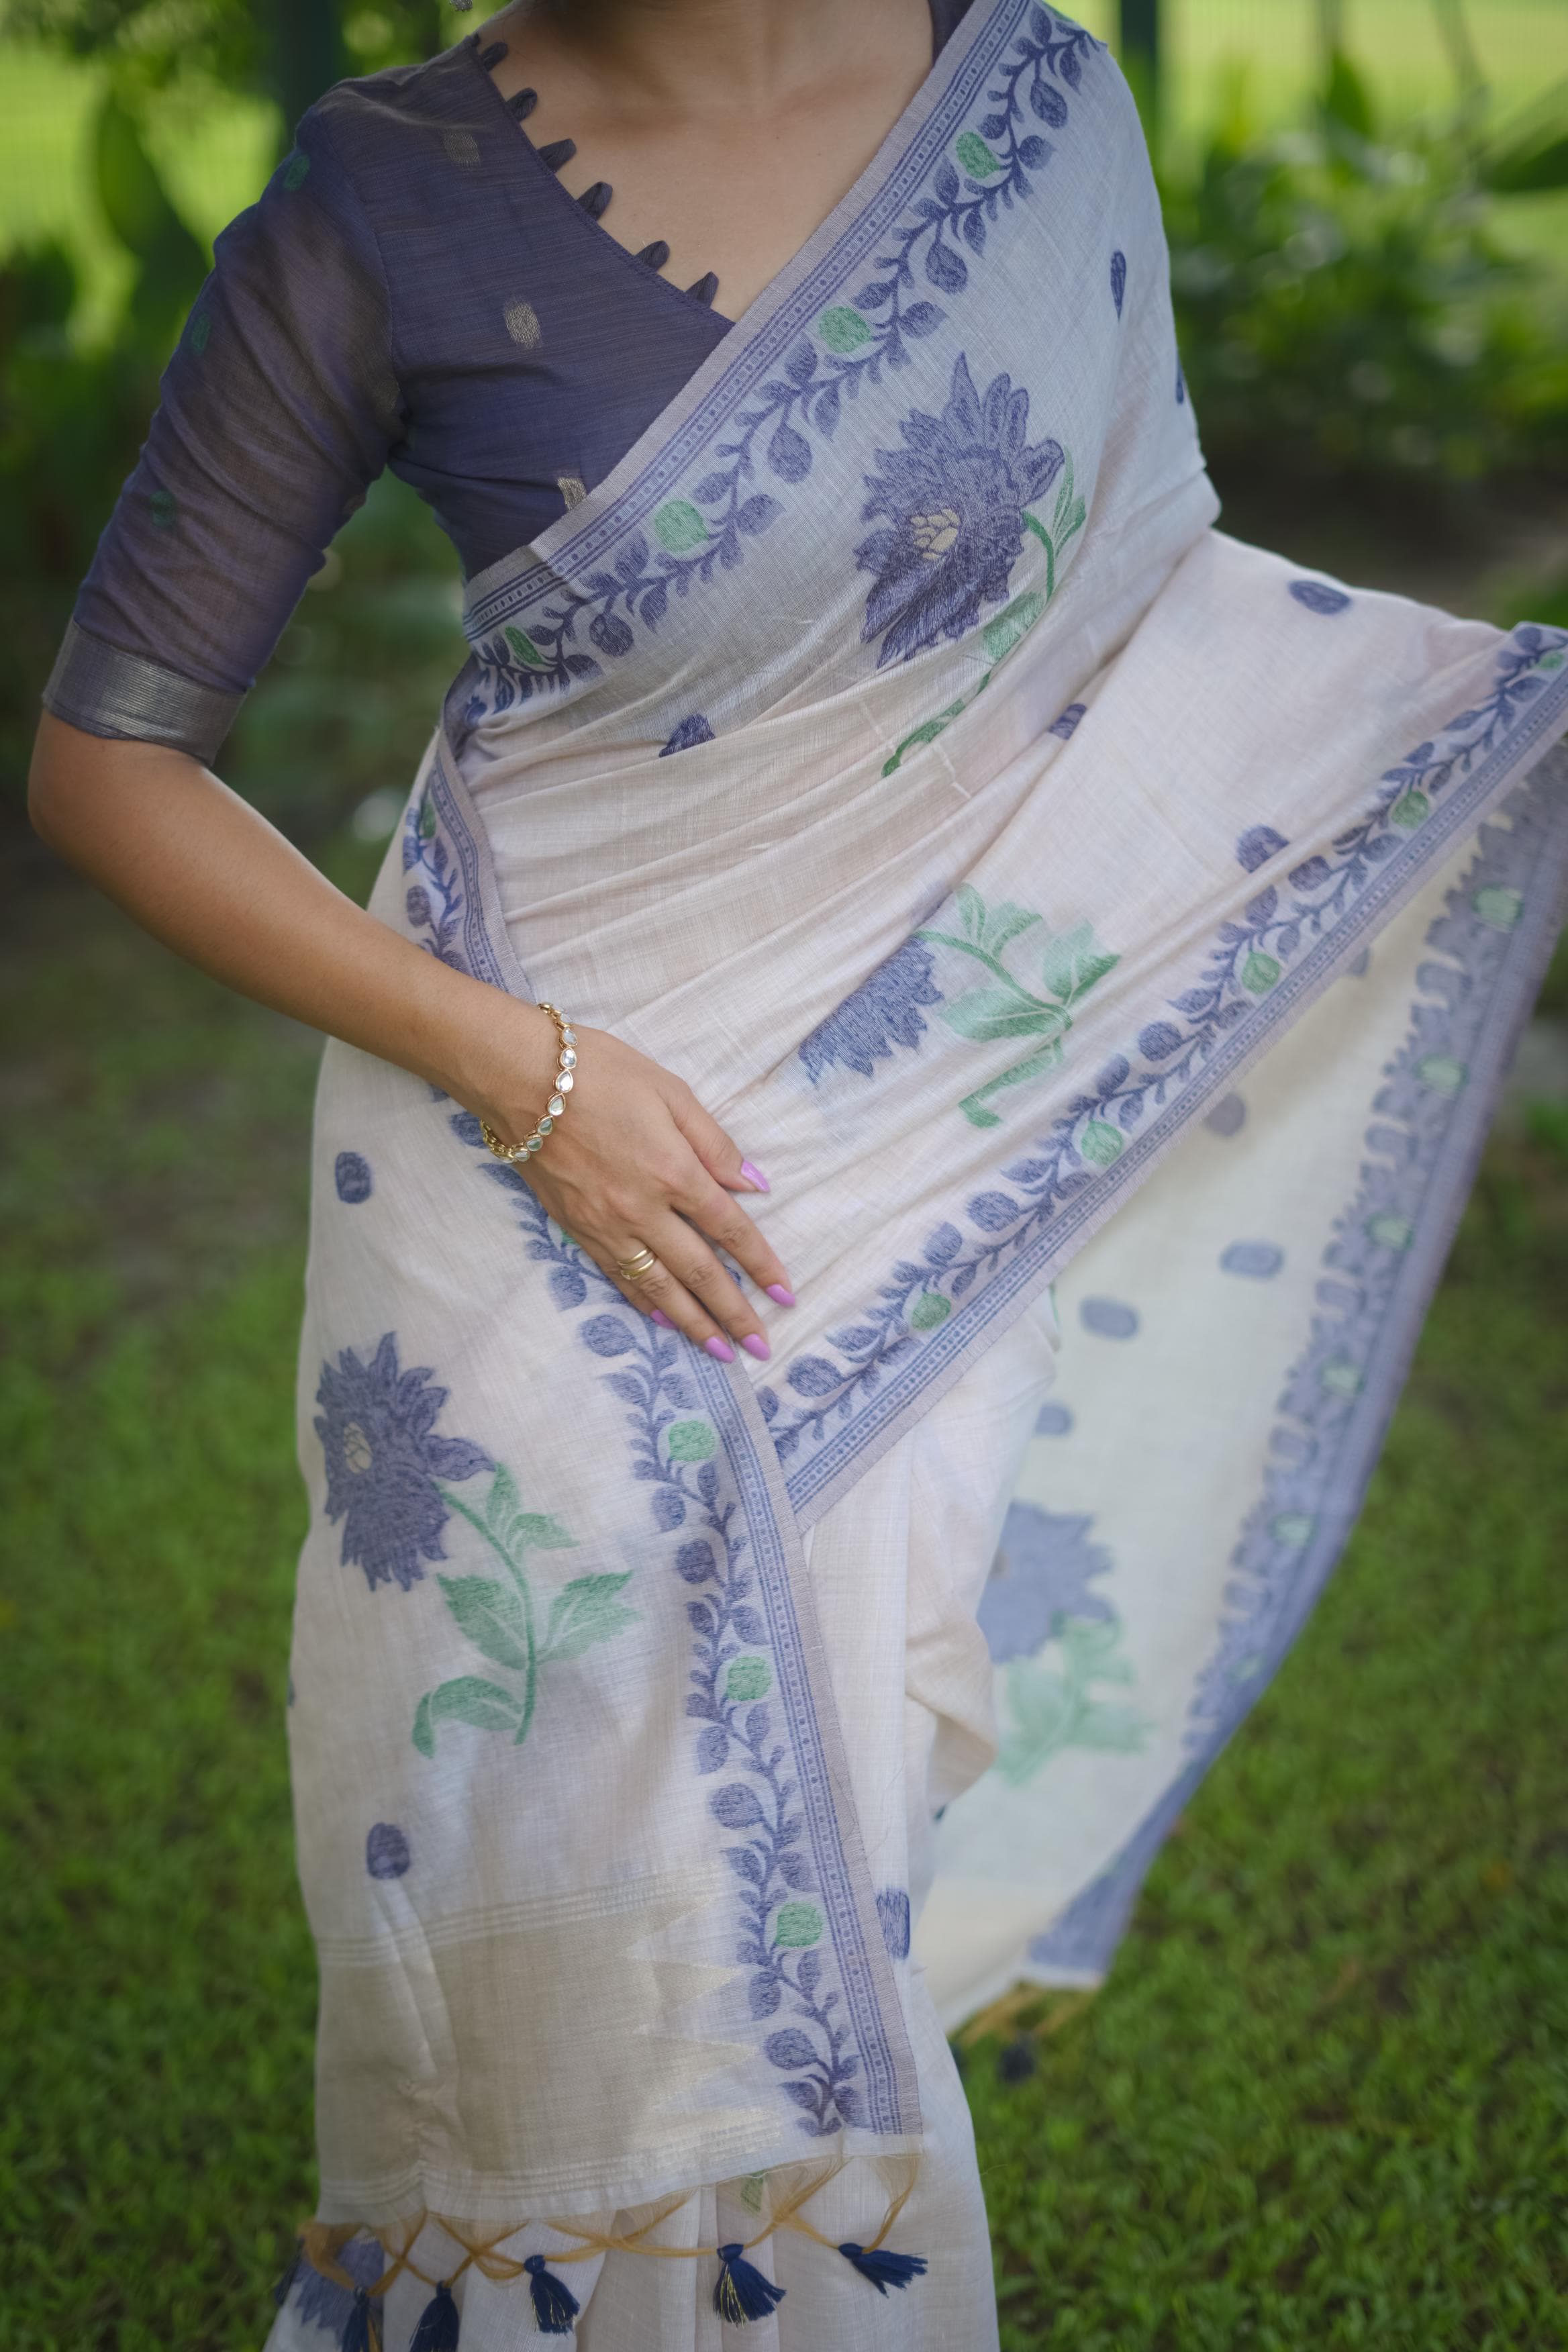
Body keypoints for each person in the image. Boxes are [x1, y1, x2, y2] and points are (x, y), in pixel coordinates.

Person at [29, 0, 1568, 2343]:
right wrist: (530, 1076)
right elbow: (106, 763)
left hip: (910, 1132)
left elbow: (1155, 604)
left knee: (814, 1869)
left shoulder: (1032, 104)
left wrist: (1470, 731)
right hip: (526, 1170)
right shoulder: (391, 200)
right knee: (552, 1888)